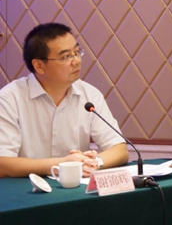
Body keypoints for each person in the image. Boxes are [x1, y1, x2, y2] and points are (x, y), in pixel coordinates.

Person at [0, 23, 129, 178]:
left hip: (76, 188)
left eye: (77, 52)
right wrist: (63, 164)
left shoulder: (89, 95)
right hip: (26, 189)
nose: (76, 61)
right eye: (66, 56)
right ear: (39, 66)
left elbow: (119, 149)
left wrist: (95, 163)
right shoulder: (9, 99)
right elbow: (3, 164)